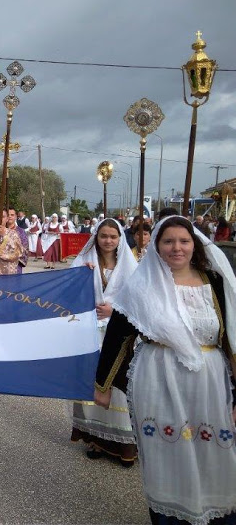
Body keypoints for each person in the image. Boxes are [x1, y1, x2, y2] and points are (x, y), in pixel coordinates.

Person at [94, 216, 236, 524]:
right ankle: (170, 517)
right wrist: (102, 386)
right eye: (168, 241)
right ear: (157, 245)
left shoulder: (214, 281)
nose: (177, 248)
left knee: (213, 450)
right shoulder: (143, 285)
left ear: (194, 244)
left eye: (183, 241)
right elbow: (118, 336)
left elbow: (230, 340)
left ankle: (216, 514)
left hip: (211, 381)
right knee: (168, 452)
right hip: (159, 378)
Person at [70, 218, 138, 467]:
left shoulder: (129, 267)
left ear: (120, 239)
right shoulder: (84, 261)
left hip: (117, 335)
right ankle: (95, 439)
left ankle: (124, 444)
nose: (108, 241)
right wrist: (80, 277)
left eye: (113, 236)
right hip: (89, 332)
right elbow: (70, 294)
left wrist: (114, 311)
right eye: (103, 236)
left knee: (117, 386)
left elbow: (138, 300)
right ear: (96, 237)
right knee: (91, 384)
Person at [7, 208, 29, 273]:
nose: (10, 216)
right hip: (0, 266)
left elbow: (25, 249)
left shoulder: (21, 232)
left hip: (15, 265)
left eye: (12, 215)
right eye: (8, 215)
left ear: (16, 217)